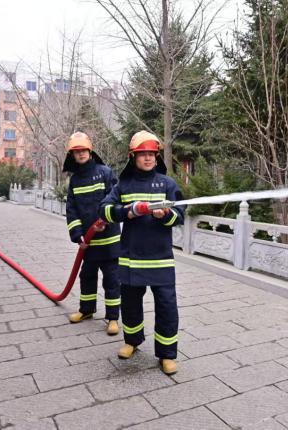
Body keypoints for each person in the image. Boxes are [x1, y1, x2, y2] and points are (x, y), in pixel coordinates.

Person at [99, 131, 185, 375]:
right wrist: (128, 211)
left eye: (151, 154)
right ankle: (132, 341)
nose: (148, 158)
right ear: (133, 157)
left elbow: (180, 215)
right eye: (142, 154)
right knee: (130, 304)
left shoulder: (167, 184)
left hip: (160, 260)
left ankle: (167, 354)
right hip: (131, 259)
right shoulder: (124, 185)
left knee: (167, 306)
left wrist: (166, 214)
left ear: (156, 157)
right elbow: (104, 210)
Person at [64, 131, 121, 336]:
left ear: (90, 151)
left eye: (83, 150)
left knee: (112, 280)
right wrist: (78, 235)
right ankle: (86, 310)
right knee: (86, 276)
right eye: (76, 151)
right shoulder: (75, 180)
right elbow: (72, 210)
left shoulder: (105, 172)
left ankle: (112, 318)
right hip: (88, 243)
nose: (81, 154)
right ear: (72, 155)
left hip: (109, 241)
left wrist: (106, 219)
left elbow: (115, 199)